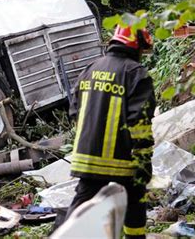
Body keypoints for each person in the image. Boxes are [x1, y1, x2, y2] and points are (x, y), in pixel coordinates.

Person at [65, 25, 156, 239]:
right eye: (142, 50)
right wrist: (143, 161)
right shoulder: (136, 74)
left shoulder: (90, 69)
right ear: (136, 46)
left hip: (87, 158)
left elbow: (74, 111)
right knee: (134, 201)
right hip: (122, 159)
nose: (142, 55)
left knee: (80, 210)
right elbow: (139, 123)